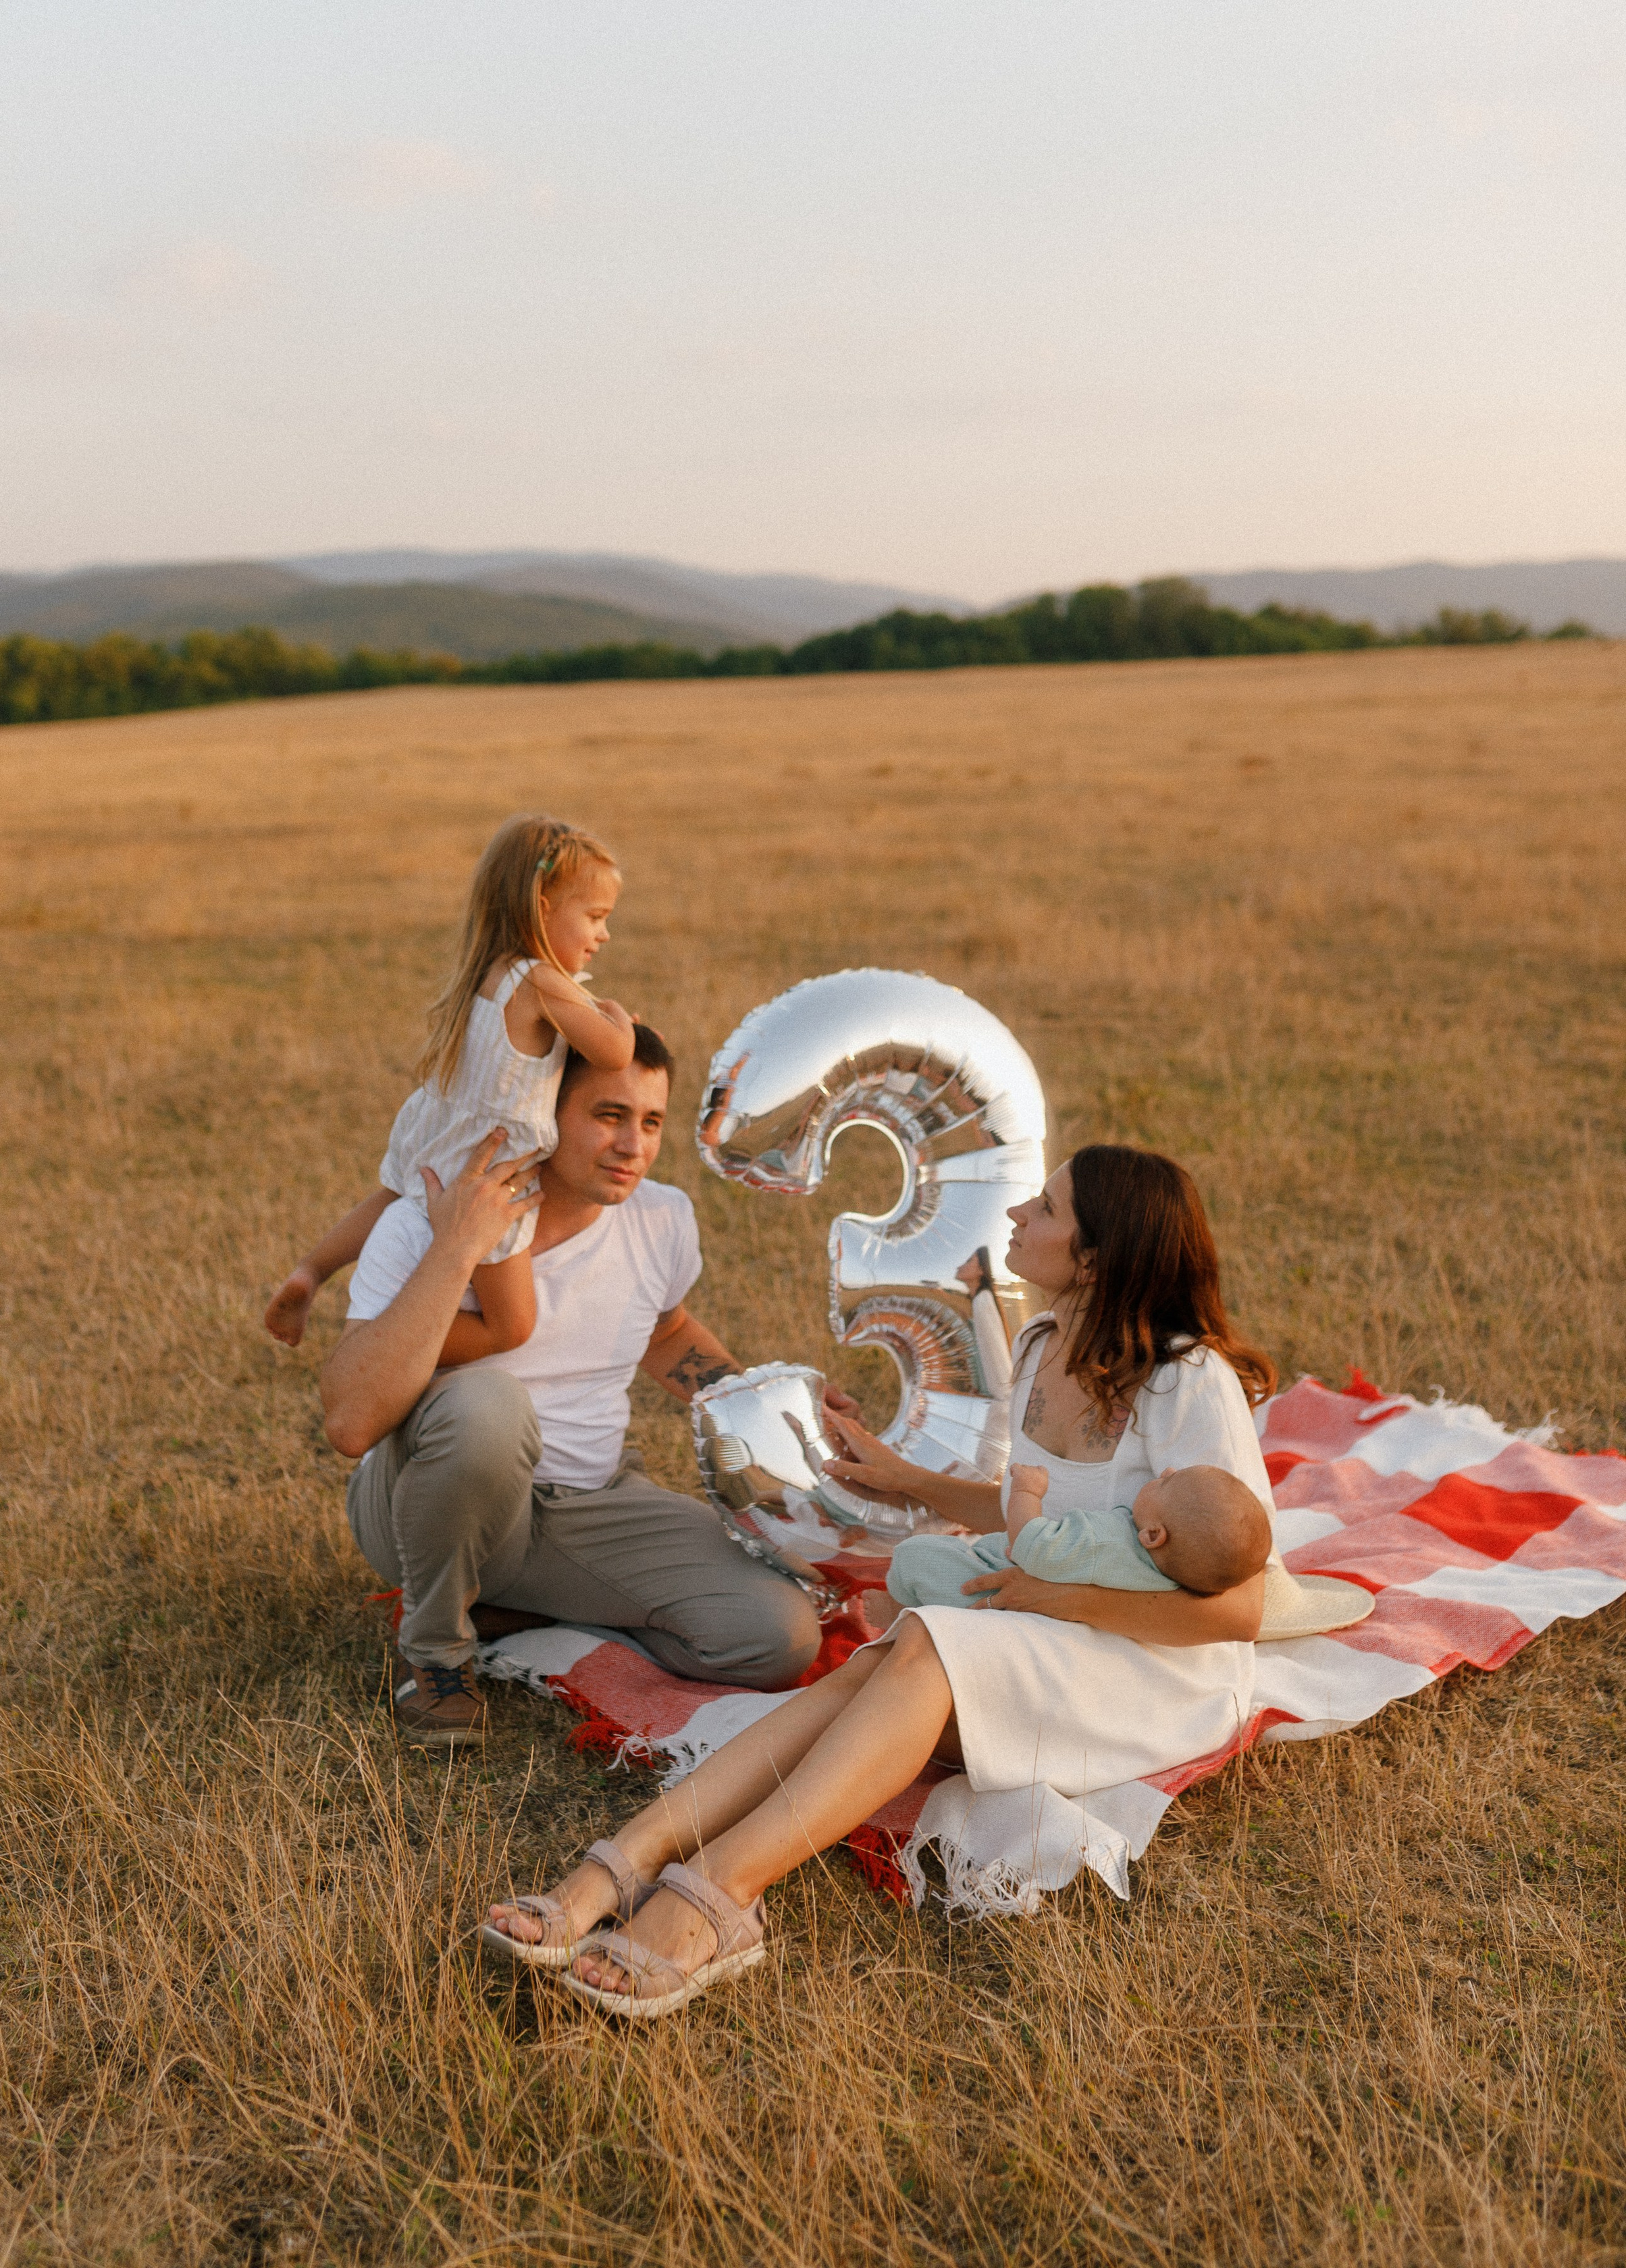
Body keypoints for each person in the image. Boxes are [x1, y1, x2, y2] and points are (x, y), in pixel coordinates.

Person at [481, 1143, 1277, 2014]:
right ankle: (622, 1864)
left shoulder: (1186, 1381)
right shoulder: (1046, 1339)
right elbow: (1040, 1517)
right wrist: (903, 1480)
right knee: (875, 1669)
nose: (1017, 1216)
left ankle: (717, 1894)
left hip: (1153, 1667)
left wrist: (1048, 1597)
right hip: (1043, 1626)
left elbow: (1241, 1608)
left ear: (1094, 1260)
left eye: (1044, 1209)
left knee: (927, 1643)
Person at [296, 1026, 824, 1747]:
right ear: (546, 1116)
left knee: (775, 1637)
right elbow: (351, 1424)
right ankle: (436, 1654)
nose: (632, 1145)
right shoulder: (423, 1222)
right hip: (426, 1504)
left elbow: (666, 1333)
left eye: (650, 1122)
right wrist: (458, 1248)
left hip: (590, 1503)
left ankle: (516, 1608)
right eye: (608, 1116)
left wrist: (767, 1413)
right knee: (489, 1406)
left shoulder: (663, 1218)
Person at [266, 813, 635, 1357]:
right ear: (542, 907)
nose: (604, 934)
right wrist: (618, 1014)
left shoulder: (490, 971)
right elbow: (615, 1051)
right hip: (487, 1169)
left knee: (393, 1196)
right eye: (596, 916)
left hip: (438, 1124)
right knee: (511, 1327)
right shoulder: (539, 981)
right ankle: (381, 1342)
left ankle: (311, 1269)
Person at [881, 1458, 1272, 1612]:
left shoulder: (1104, 1541)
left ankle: (898, 1607)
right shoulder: (1162, 1575)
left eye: (1167, 1484)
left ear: (1153, 1535)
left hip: (990, 1592)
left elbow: (1028, 1545)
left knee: (917, 1553)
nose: (1166, 1471)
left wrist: (1027, 1493)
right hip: (1031, 1609)